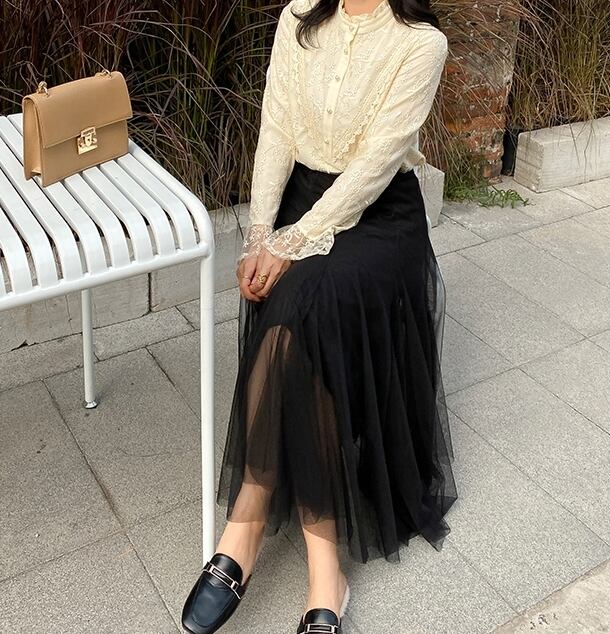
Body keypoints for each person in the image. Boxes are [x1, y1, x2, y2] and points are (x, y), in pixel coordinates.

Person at [181, 1, 458, 632]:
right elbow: (276, 127)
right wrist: (260, 233)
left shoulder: (420, 43)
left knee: (304, 312)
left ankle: (246, 526)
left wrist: (293, 242)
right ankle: (324, 572)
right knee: (291, 319)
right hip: (301, 202)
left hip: (378, 218)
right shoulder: (299, 14)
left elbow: (376, 164)